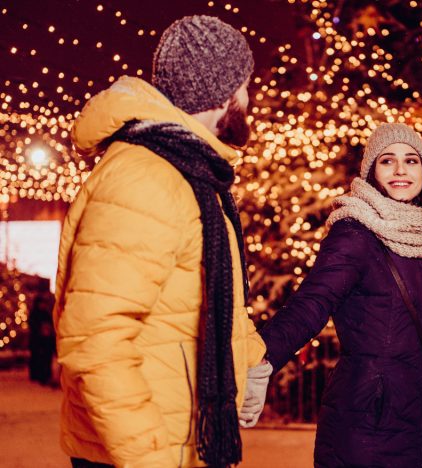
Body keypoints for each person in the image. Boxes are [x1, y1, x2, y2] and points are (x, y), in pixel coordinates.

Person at [53, 15, 271, 468]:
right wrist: (147, 455)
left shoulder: (188, 172)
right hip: (143, 448)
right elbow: (96, 338)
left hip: (181, 437)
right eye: (244, 85)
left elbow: (205, 295)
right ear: (222, 94)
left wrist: (253, 361)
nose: (249, 98)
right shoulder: (147, 177)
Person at [253, 123, 422, 467]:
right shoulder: (355, 233)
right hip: (367, 416)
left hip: (418, 417)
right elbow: (312, 303)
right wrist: (261, 358)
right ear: (371, 172)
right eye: (387, 160)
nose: (401, 170)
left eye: (411, 160)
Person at [28, 289, 56, 385]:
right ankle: (37, 375)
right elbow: (33, 325)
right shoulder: (34, 314)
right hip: (38, 340)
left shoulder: (47, 314)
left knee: (46, 358)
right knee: (37, 357)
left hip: (47, 340)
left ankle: (46, 375)